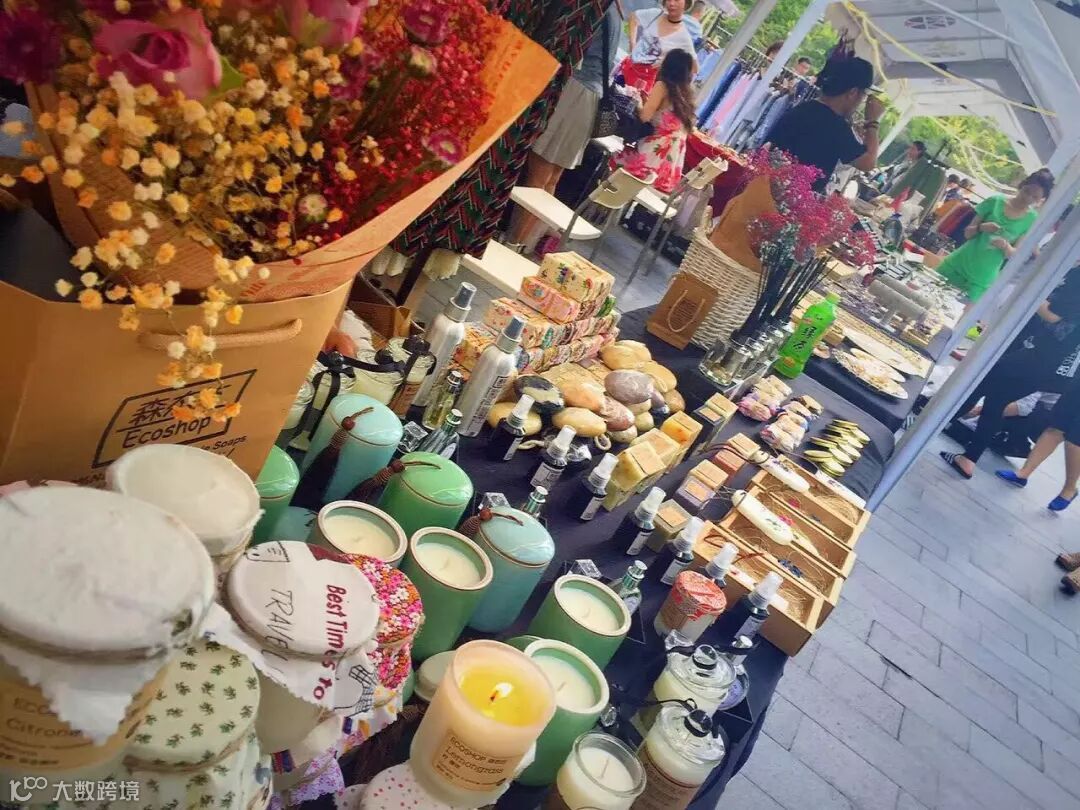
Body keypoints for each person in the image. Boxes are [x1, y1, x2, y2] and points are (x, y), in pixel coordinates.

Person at [941, 263, 1080, 481]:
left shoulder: (1077, 277)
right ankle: (968, 458)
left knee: (976, 387)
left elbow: (1054, 314)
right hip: (1044, 364)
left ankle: (932, 426)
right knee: (994, 402)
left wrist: (1035, 290)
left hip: (1035, 356)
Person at [506, 1, 623, 244]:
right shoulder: (615, 14)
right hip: (589, 97)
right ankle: (522, 244)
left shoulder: (599, 9)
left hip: (574, 90)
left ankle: (513, 241)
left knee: (538, 174)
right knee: (550, 178)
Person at [763, 55, 882, 192]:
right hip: (785, 196)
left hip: (767, 187)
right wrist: (872, 121)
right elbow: (867, 163)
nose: (861, 102)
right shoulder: (835, 126)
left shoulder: (806, 108)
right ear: (853, 92)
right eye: (863, 95)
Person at [937, 169, 1054, 303]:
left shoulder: (1032, 219)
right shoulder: (995, 201)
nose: (1028, 198)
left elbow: (1014, 255)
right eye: (1027, 191)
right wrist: (981, 227)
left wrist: (1006, 246)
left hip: (981, 279)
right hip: (957, 264)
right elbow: (967, 234)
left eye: (1035, 197)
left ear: (1040, 200)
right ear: (1022, 185)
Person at [613, 49, 695, 193]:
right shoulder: (686, 94)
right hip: (671, 162)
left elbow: (644, 116)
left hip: (653, 152)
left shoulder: (663, 86)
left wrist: (638, 102)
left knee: (613, 158)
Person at [623, 0, 698, 93]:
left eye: (677, 0)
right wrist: (632, 43)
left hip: (643, 79)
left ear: (686, 3)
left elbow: (694, 68)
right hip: (627, 65)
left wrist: (666, 64)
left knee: (627, 100)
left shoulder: (683, 37)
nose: (672, 3)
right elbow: (634, 17)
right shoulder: (656, 14)